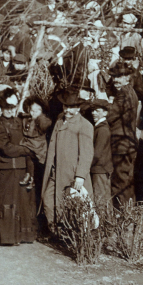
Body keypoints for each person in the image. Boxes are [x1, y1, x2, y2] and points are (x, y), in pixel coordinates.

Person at [0, 88, 37, 245]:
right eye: (6, 107)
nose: (9, 110)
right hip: (6, 170)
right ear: (0, 107)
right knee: (7, 202)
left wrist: (30, 171)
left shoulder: (20, 122)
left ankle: (21, 236)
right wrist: (28, 149)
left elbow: (27, 144)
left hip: (21, 169)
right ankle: (7, 237)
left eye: (12, 107)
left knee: (22, 203)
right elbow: (7, 149)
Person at [41, 93, 93, 227]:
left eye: (71, 107)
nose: (67, 110)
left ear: (78, 108)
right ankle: (56, 230)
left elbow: (86, 154)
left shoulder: (85, 125)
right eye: (65, 106)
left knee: (71, 207)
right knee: (48, 200)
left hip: (72, 175)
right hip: (55, 173)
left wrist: (80, 176)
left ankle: (68, 234)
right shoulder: (60, 120)